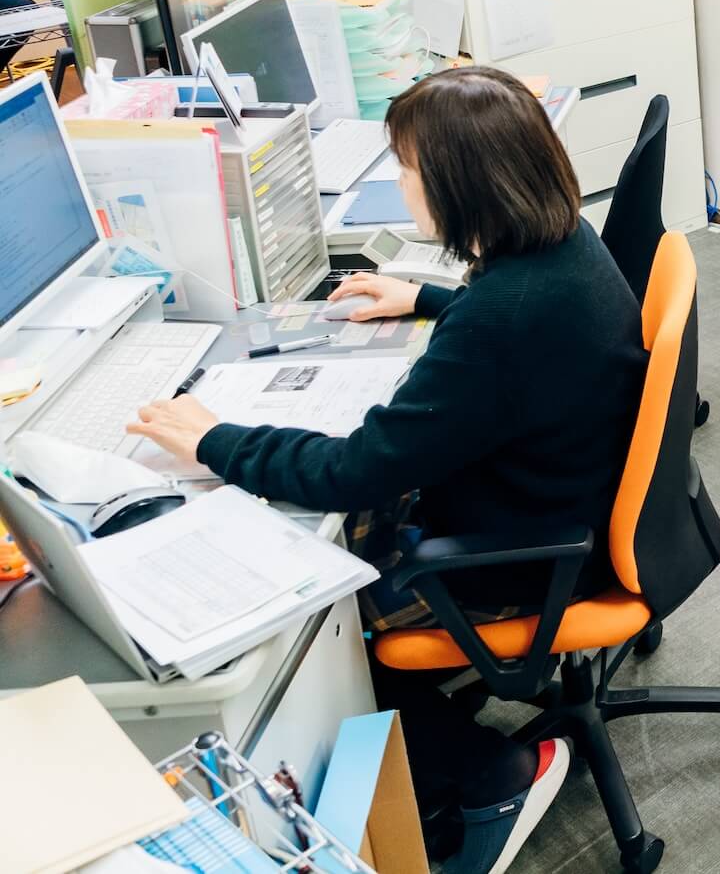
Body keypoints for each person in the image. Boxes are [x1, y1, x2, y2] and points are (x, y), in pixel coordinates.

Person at [126, 66, 648, 874]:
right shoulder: (563, 243)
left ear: (461, 186)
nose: (400, 184)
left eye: (406, 169)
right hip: (559, 502)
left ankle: (494, 770)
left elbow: (355, 470)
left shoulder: (500, 320)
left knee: (322, 628)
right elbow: (513, 329)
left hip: (509, 558)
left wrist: (216, 440)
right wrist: (431, 299)